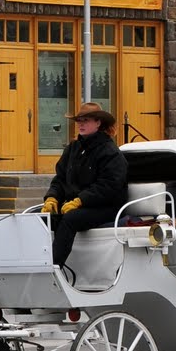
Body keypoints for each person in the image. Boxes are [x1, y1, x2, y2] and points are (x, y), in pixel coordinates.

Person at [41, 102, 128, 268]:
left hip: (106, 207)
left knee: (69, 219)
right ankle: (31, 263)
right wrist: (51, 197)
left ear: (98, 122)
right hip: (77, 205)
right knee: (40, 217)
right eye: (79, 120)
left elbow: (109, 186)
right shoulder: (73, 148)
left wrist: (80, 200)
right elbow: (60, 179)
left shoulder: (110, 152)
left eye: (86, 120)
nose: (80, 124)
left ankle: (53, 267)